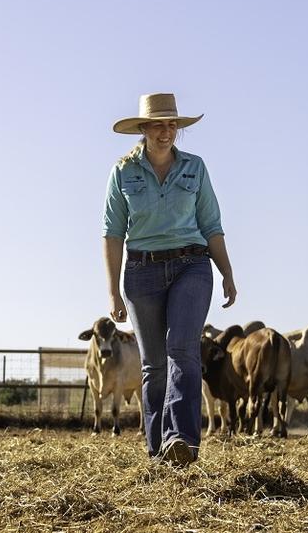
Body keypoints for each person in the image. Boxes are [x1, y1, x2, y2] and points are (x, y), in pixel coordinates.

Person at [102, 93, 237, 466]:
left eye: (172, 125)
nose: (166, 132)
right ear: (143, 129)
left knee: (182, 348)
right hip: (141, 271)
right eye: (158, 124)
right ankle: (157, 448)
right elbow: (113, 233)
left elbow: (211, 224)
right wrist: (113, 291)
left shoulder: (195, 168)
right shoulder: (124, 172)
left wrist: (226, 271)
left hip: (191, 265)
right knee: (154, 363)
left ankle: (182, 440)